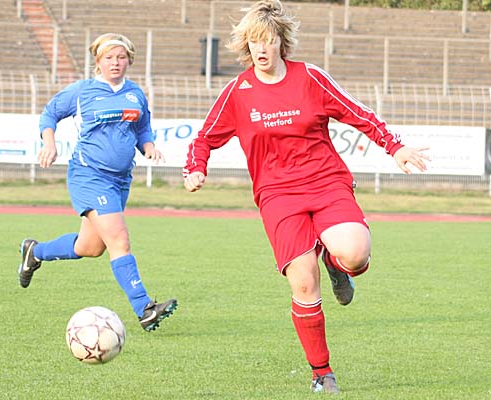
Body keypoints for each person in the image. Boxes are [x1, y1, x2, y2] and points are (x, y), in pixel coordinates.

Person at [183, 0, 429, 394]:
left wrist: (394, 146)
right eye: (254, 41)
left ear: (281, 42)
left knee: (355, 254)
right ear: (246, 46)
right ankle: (322, 374)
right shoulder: (238, 92)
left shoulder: (310, 77)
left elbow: (357, 113)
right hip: (277, 195)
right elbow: (204, 138)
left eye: (268, 40)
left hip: (326, 182)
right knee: (303, 284)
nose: (261, 49)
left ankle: (335, 262)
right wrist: (197, 168)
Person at [18, 33, 177, 332]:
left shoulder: (135, 93)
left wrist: (149, 147)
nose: (115, 63)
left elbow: (143, 129)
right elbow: (50, 114)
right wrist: (49, 142)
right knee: (119, 240)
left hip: (120, 180)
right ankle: (144, 308)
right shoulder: (83, 91)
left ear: (129, 60)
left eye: (121, 57)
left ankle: (34, 252)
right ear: (98, 61)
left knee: (89, 247)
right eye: (109, 57)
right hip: (89, 175)